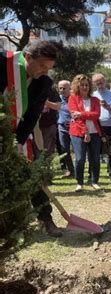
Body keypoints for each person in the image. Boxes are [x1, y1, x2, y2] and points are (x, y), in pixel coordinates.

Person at [0, 40, 61, 237]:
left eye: (49, 68)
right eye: (42, 65)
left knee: (32, 176)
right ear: (27, 57)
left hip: (18, 133)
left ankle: (46, 219)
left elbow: (32, 115)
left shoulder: (44, 83)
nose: (45, 71)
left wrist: (17, 141)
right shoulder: (2, 63)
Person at [68, 74, 102, 193]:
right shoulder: (73, 99)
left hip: (95, 133)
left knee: (95, 159)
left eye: (86, 85)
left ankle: (94, 181)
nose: (84, 87)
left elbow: (96, 115)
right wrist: (85, 132)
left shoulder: (95, 100)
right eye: (82, 85)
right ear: (77, 86)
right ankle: (79, 183)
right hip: (78, 133)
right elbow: (75, 118)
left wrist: (81, 114)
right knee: (80, 158)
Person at [92, 73, 111, 183]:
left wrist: (109, 108)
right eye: (97, 83)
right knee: (96, 151)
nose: (100, 85)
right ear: (94, 84)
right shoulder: (93, 95)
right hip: (98, 126)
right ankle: (94, 176)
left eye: (101, 82)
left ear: (105, 81)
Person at [57, 80, 75, 178]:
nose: (62, 90)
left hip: (74, 127)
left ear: (69, 88)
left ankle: (79, 170)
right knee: (64, 150)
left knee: (77, 150)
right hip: (62, 127)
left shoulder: (74, 99)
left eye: (64, 88)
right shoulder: (58, 99)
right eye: (60, 88)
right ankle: (71, 171)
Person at [38, 86, 61, 155]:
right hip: (34, 127)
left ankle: (47, 166)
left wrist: (45, 102)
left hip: (49, 126)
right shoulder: (31, 86)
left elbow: (57, 106)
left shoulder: (51, 89)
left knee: (48, 152)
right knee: (36, 152)